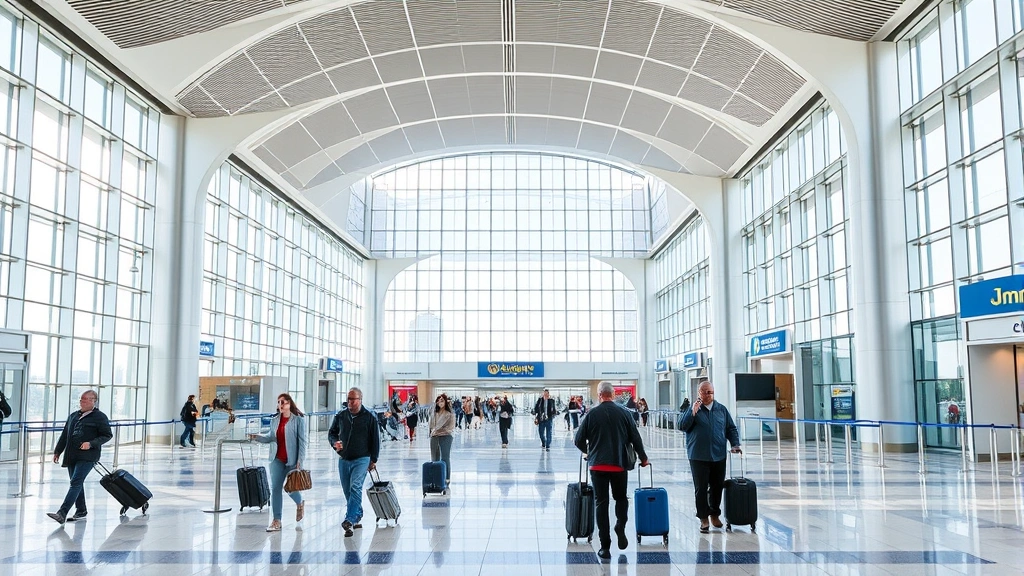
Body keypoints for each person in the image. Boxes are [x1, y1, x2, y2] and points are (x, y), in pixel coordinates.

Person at [574, 381, 649, 560]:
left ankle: (605, 547)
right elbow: (635, 438)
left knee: (602, 503)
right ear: (613, 395)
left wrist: (588, 452)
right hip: (619, 464)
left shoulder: (592, 414)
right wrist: (644, 458)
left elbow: (578, 440)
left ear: (600, 395)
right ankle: (620, 526)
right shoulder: (624, 413)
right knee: (621, 498)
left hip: (597, 465)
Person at [677, 381, 741, 533]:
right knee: (701, 488)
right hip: (698, 456)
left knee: (717, 487)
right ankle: (703, 518)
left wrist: (735, 444)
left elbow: (731, 428)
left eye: (710, 392)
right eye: (704, 392)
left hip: (718, 455)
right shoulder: (692, 409)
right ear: (698, 393)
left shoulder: (721, 409)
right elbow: (681, 426)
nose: (707, 395)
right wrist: (692, 412)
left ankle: (714, 514)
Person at [48, 390, 112, 524]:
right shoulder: (73, 416)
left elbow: (107, 435)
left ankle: (62, 513)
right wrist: (57, 451)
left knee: (76, 482)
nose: (82, 402)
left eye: (85, 400)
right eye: (81, 399)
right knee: (76, 483)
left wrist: (91, 444)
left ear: (93, 401)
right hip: (72, 455)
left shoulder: (100, 417)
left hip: (88, 456)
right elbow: (65, 434)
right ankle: (81, 510)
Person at [249, 393, 307, 532]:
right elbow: (270, 437)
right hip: (277, 459)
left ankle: (300, 502)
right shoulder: (275, 420)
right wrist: (257, 437)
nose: (280, 405)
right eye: (278, 402)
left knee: (291, 488)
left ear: (289, 404)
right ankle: (277, 520)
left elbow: (302, 442)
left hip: (292, 460)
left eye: (283, 402)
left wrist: (300, 460)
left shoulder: (298, 420)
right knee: (275, 488)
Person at [328, 387, 380, 537]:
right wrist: (334, 443)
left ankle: (349, 520)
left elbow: (375, 439)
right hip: (344, 459)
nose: (350, 403)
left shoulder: (369, 417)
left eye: (353, 400)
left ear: (360, 400)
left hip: (362, 458)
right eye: (348, 399)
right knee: (348, 491)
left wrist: (373, 459)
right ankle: (357, 513)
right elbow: (332, 433)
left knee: (355, 486)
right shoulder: (341, 416)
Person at [429, 394, 455, 484]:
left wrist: (439, 430)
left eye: (442, 400)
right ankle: (436, 477)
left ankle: (447, 477)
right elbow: (431, 425)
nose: (440, 402)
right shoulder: (434, 412)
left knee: (445, 458)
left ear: (445, 402)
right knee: (434, 457)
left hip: (446, 436)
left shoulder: (449, 413)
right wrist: (433, 432)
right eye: (438, 400)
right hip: (434, 436)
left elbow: (451, 427)